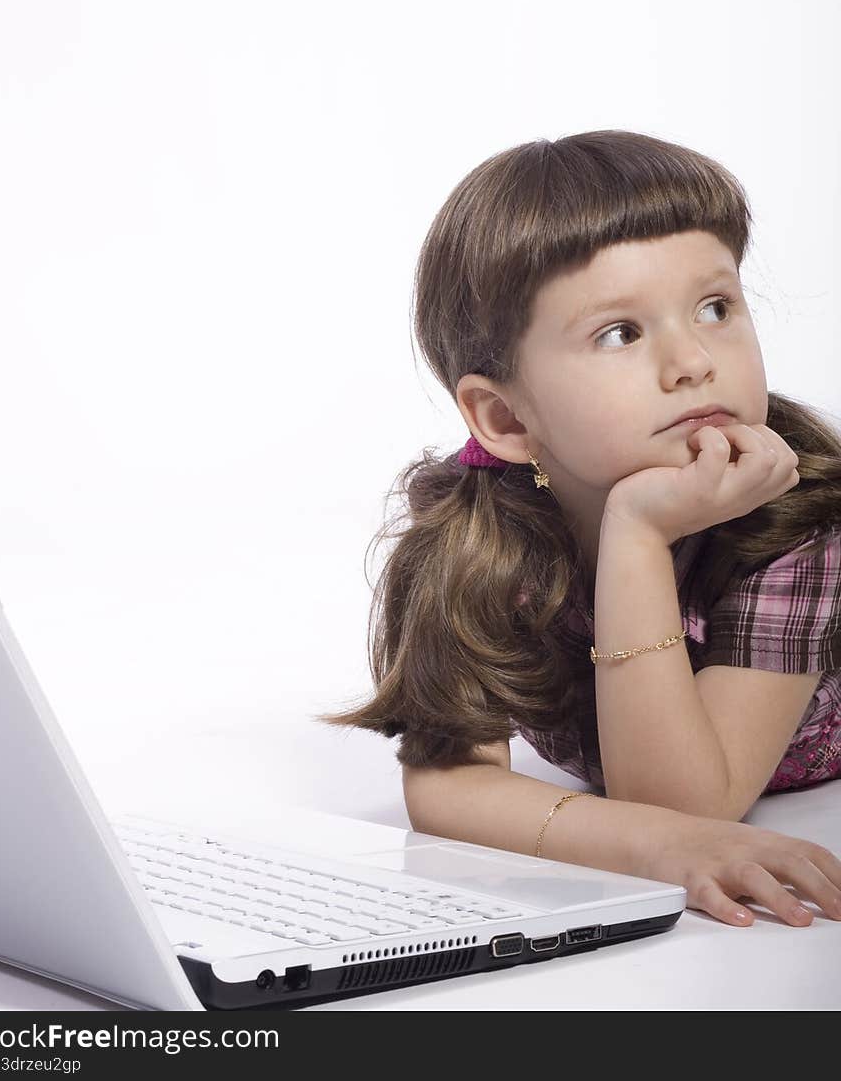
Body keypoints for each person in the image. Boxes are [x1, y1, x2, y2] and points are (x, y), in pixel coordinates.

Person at [316, 130, 841, 928]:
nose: (694, 360)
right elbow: (448, 785)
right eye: (620, 333)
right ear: (504, 417)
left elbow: (688, 802)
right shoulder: (472, 538)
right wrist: (639, 530)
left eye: (715, 308)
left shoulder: (794, 516)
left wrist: (634, 536)